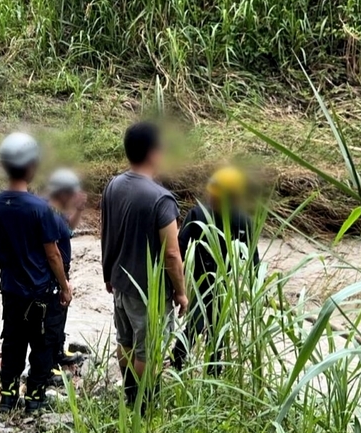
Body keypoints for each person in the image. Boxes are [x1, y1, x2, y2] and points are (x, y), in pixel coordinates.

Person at [0, 133, 72, 414]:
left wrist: (10, 266)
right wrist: (64, 285)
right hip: (40, 292)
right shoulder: (41, 209)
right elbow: (52, 253)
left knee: (13, 341)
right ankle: (34, 398)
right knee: (42, 344)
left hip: (11, 290)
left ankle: (8, 398)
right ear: (32, 166)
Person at [100, 121, 188, 406]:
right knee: (147, 352)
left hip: (121, 284)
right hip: (148, 292)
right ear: (153, 153)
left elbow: (107, 232)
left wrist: (107, 273)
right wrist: (181, 292)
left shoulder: (114, 185)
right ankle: (144, 406)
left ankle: (129, 396)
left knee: (125, 341)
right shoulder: (161, 199)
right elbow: (172, 255)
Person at [172, 166, 259, 373]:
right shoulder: (198, 214)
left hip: (225, 287)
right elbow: (179, 251)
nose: (211, 198)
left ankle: (212, 370)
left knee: (216, 331)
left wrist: (255, 289)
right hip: (199, 283)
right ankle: (179, 361)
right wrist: (178, 287)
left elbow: (252, 259)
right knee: (196, 325)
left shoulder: (243, 221)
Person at [45, 168, 87, 382]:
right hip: (54, 270)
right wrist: (62, 283)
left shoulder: (58, 209)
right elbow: (51, 251)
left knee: (61, 312)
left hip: (62, 268)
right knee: (52, 315)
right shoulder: (48, 210)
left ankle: (58, 352)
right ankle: (49, 364)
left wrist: (78, 210)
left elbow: (68, 230)